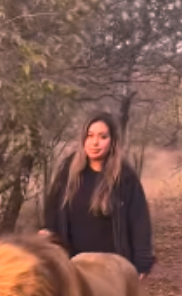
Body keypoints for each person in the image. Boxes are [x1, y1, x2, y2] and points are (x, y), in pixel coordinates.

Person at [41, 111, 155, 279]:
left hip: (112, 271)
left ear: (112, 142)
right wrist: (47, 234)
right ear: (83, 140)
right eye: (90, 136)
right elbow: (52, 213)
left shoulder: (125, 178)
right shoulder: (69, 172)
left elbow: (139, 222)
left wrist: (142, 263)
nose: (95, 142)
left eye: (103, 137)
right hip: (74, 267)